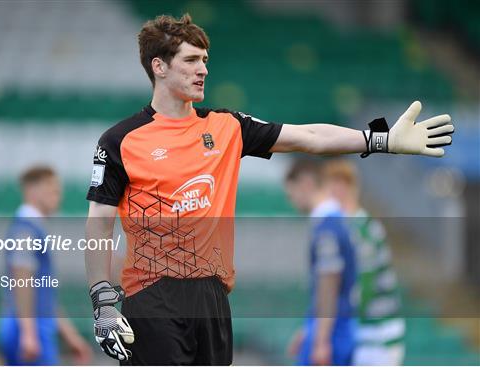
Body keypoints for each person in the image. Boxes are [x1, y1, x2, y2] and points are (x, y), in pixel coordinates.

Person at [84, 14, 453, 365]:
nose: (203, 70)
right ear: (159, 67)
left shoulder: (227, 126)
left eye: (205, 60)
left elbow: (309, 136)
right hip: (152, 295)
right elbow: (98, 224)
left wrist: (381, 140)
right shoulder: (120, 141)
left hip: (213, 297)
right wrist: (102, 302)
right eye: (191, 60)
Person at [0, 166, 92, 365]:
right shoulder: (26, 228)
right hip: (31, 328)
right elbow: (22, 279)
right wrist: (29, 333)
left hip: (31, 326)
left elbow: (42, 292)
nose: (58, 197)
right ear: (33, 191)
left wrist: (70, 335)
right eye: (53, 191)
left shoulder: (31, 227)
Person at [322, 159, 405, 365]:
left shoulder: (363, 229)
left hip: (377, 333)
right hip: (363, 330)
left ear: (349, 187)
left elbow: (364, 285)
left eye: (337, 184)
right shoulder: (344, 226)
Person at [285, 159, 357, 365]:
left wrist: (321, 340)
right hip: (334, 327)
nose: (293, 202)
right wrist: (308, 330)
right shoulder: (336, 221)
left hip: (334, 331)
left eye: (292, 194)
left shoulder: (327, 227)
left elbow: (329, 284)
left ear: (305, 184)